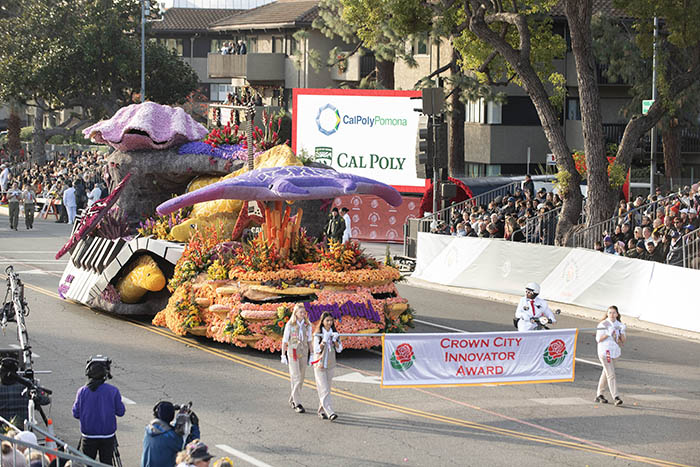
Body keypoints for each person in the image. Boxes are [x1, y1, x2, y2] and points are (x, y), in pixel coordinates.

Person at [72, 355, 126, 465]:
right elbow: (121, 412)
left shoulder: (82, 391)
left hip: (88, 436)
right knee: (106, 463)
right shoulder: (113, 391)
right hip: (107, 436)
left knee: (88, 463)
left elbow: (76, 413)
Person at [142, 401, 201, 467]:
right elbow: (191, 446)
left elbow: (164, 426)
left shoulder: (148, 430)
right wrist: (195, 426)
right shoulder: (172, 437)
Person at [281, 303, 313, 414]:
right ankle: (297, 403)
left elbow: (309, 340)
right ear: (295, 313)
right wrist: (283, 354)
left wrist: (312, 354)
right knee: (296, 377)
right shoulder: (290, 324)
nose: (303, 314)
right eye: (301, 312)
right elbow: (285, 340)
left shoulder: (308, 325)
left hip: (303, 352)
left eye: (304, 312)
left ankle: (292, 399)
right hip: (293, 352)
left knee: (301, 377)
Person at [312, 312, 342, 421]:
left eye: (331, 320)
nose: (329, 323)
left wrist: (335, 341)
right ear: (322, 322)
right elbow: (316, 349)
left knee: (327, 389)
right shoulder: (318, 334)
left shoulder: (334, 333)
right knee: (323, 388)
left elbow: (339, 349)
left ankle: (321, 410)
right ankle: (330, 412)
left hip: (331, 363)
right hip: (320, 363)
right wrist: (324, 340)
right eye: (327, 321)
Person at [595, 305, 626, 406]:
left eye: (614, 313)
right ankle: (616, 397)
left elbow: (623, 341)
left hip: (615, 352)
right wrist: (608, 333)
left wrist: (622, 331)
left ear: (617, 314)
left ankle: (599, 394)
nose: (612, 315)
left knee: (606, 373)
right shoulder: (603, 324)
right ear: (607, 314)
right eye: (610, 313)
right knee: (611, 374)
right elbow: (598, 339)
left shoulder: (619, 324)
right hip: (605, 352)